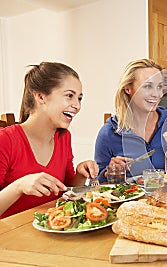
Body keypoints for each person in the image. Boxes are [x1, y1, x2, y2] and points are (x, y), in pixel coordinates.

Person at [0, 62, 98, 219]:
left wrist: (80, 174)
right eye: (69, 96)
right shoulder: (5, 140)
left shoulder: (64, 138)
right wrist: (19, 186)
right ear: (40, 96)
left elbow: (66, 191)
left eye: (79, 98)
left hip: (52, 230)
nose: (77, 105)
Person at [94, 59, 167, 183]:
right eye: (148, 86)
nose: (156, 94)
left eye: (159, 87)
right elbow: (97, 182)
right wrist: (109, 171)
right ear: (128, 89)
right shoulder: (109, 132)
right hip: (129, 201)